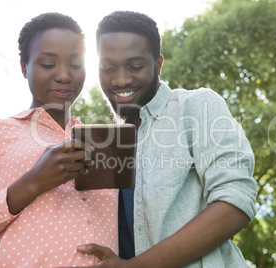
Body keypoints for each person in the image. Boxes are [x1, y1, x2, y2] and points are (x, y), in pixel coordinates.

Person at [75, 11, 258, 268]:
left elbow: (234, 202)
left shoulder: (196, 106)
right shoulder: (105, 144)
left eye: (135, 66)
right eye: (108, 68)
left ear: (158, 64)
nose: (121, 79)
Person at [0, 12, 118, 267]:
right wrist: (32, 183)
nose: (64, 75)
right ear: (24, 67)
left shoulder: (108, 143)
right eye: (48, 64)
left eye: (76, 64)